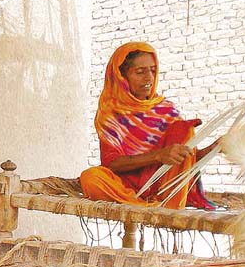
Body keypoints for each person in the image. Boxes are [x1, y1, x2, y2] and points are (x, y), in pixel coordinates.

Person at [80, 42, 219, 210]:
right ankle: (147, 206)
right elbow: (112, 163)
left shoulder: (166, 110)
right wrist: (158, 155)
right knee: (91, 178)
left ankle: (167, 204)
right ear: (122, 76)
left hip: (163, 187)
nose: (149, 78)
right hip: (125, 187)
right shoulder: (110, 113)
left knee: (184, 128)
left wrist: (215, 148)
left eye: (153, 70)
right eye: (140, 72)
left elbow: (185, 161)